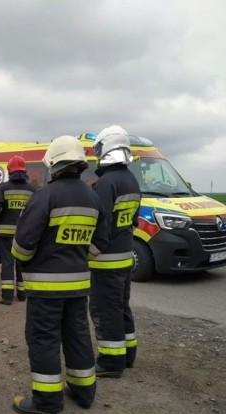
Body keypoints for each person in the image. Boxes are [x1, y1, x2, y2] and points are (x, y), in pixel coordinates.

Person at [11, 135, 108, 414]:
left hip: (45, 288)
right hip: (78, 286)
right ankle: (83, 391)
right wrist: (79, 258)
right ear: (79, 164)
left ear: (53, 165)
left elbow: (23, 244)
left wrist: (27, 262)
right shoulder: (93, 197)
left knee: (43, 339)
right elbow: (102, 240)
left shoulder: (45, 196)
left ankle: (47, 402)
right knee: (77, 336)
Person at [89, 125, 142, 378]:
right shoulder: (131, 179)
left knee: (103, 310)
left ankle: (111, 361)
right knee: (121, 307)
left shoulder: (105, 183)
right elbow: (132, 221)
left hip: (105, 261)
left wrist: (87, 252)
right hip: (124, 256)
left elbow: (99, 224)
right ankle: (128, 354)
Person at [0, 155, 35, 305]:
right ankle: (23, 294)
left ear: (9, 170)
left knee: (8, 262)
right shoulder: (31, 189)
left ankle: (7, 296)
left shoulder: (4, 187)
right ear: (24, 170)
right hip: (24, 233)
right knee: (22, 262)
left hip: (6, 233)